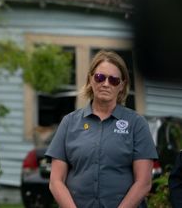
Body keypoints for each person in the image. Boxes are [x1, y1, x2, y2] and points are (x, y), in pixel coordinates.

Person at [46, 50, 158, 208]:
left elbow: (144, 182)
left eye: (113, 80)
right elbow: (56, 181)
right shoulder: (69, 122)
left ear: (122, 85)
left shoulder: (137, 124)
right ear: (90, 79)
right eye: (100, 77)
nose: (106, 84)